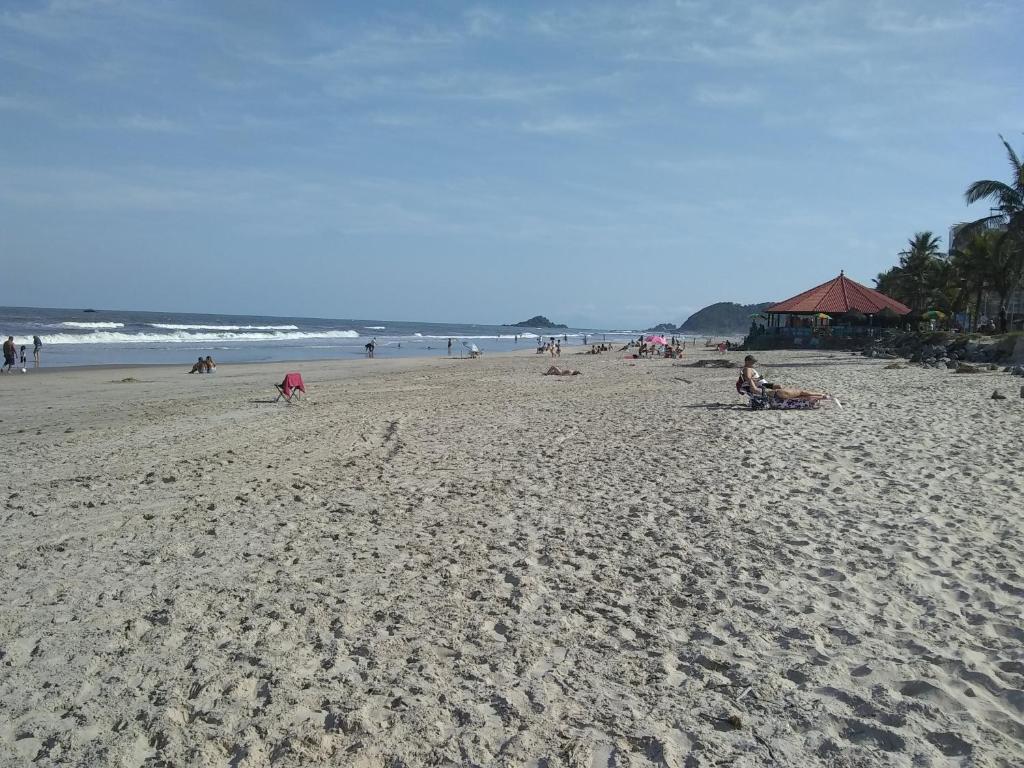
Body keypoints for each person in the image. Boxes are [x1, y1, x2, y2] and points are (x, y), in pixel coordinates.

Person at [739, 355, 828, 402]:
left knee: (799, 394)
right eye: (752, 362)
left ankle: (822, 396)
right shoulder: (747, 369)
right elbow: (749, 379)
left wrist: (757, 383)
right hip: (775, 393)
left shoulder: (748, 371)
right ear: (747, 361)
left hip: (771, 392)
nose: (754, 363)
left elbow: (750, 380)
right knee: (800, 392)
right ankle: (822, 395)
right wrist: (754, 387)